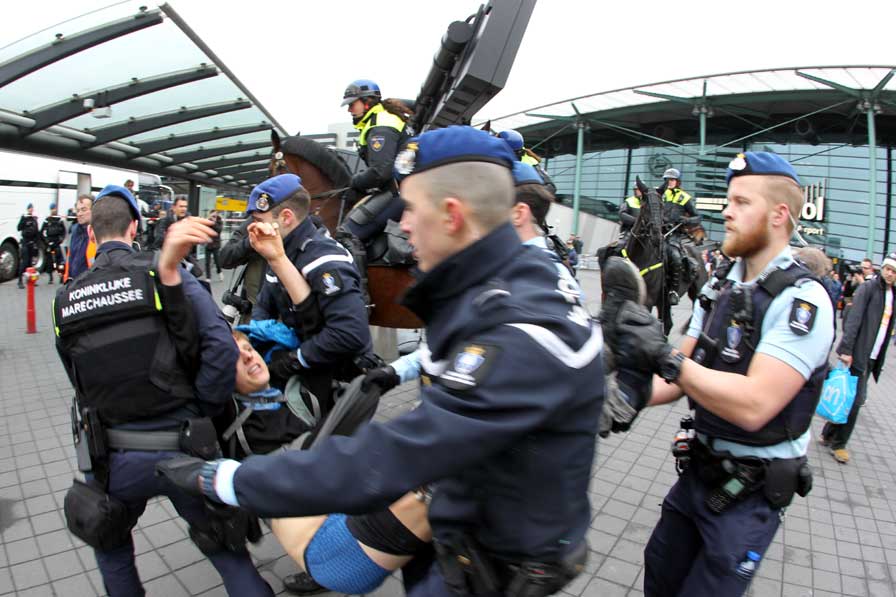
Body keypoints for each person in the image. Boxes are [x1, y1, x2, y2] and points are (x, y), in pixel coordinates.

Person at [158, 126, 606, 597]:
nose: (404, 225)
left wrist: (229, 479)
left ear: (452, 215)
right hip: (457, 521)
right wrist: (399, 369)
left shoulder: (519, 329)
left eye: (410, 209)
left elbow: (392, 456)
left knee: (324, 556)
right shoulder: (501, 284)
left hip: (491, 566)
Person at [599, 152, 834, 597]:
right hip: (696, 476)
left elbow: (754, 404)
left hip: (746, 497)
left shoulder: (804, 301)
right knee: (659, 577)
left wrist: (665, 358)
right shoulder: (720, 284)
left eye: (742, 202)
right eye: (728, 200)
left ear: (779, 215)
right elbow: (678, 375)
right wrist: (616, 396)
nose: (726, 210)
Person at [53, 185, 273, 597]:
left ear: (93, 232)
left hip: (111, 458)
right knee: (227, 553)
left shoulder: (65, 299)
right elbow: (220, 345)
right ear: (135, 226)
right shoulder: (164, 274)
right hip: (185, 447)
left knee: (113, 552)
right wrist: (203, 406)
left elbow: (76, 376)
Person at [244, 173, 373, 415]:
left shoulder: (324, 259)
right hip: (310, 367)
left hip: (339, 381)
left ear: (286, 218)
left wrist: (292, 360)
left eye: (258, 219)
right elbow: (264, 304)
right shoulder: (281, 251)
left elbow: (350, 333)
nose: (252, 227)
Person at [336, 79, 414, 299]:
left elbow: (381, 172)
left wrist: (355, 181)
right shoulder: (380, 120)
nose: (350, 109)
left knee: (347, 233)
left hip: (401, 191)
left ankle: (360, 299)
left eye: (353, 104)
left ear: (367, 102)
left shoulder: (381, 125)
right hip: (403, 187)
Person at [819, 253, 896, 463]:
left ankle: (827, 434)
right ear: (883, 268)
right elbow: (853, 320)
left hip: (873, 356)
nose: (890, 273)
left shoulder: (892, 294)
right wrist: (846, 350)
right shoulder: (869, 288)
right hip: (858, 354)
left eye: (894, 271)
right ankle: (839, 445)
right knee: (856, 400)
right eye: (888, 269)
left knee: (849, 397)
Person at [661, 167, 701, 305]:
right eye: (667, 180)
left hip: (674, 235)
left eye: (672, 180)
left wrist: (687, 220)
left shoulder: (685, 197)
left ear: (677, 181)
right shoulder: (661, 194)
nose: (669, 182)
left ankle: (673, 291)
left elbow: (698, 217)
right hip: (658, 232)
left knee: (676, 257)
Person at [220, 215, 267, 324]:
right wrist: (249, 242)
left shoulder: (305, 229)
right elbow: (225, 257)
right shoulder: (256, 221)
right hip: (252, 314)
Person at [64, 195, 95, 282]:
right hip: (74, 284)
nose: (80, 214)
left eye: (84, 210)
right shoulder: (75, 232)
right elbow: (70, 258)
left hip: (91, 285)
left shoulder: (99, 233)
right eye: (78, 210)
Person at [40, 202, 67, 284]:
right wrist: (46, 241)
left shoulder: (59, 220)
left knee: (60, 261)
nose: (53, 210)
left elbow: (64, 231)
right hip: (49, 243)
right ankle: (51, 278)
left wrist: (61, 239)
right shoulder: (47, 220)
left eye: (54, 208)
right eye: (52, 209)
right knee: (49, 262)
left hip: (57, 242)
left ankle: (61, 276)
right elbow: (41, 232)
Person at [17, 202, 40, 288]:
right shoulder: (25, 218)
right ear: (27, 209)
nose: (31, 209)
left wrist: (36, 244)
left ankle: (31, 280)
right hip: (25, 242)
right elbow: (19, 228)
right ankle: (20, 281)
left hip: (32, 242)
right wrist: (23, 220)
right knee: (25, 262)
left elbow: (37, 232)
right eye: (30, 208)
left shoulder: (34, 219)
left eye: (32, 208)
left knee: (31, 263)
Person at [205, 209, 224, 282]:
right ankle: (208, 277)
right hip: (208, 244)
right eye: (212, 214)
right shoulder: (208, 221)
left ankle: (220, 272)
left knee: (217, 261)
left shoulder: (219, 221)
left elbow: (219, 230)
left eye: (215, 214)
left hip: (216, 245)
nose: (213, 216)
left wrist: (213, 222)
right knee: (207, 262)